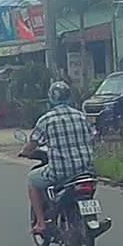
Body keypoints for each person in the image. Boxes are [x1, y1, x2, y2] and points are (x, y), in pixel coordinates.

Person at [20, 81, 95, 234]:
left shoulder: (47, 119)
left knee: (32, 180)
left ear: (51, 98)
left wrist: (25, 152)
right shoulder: (81, 116)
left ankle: (41, 223)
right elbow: (93, 136)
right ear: (69, 96)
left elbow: (32, 144)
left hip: (61, 172)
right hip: (86, 170)